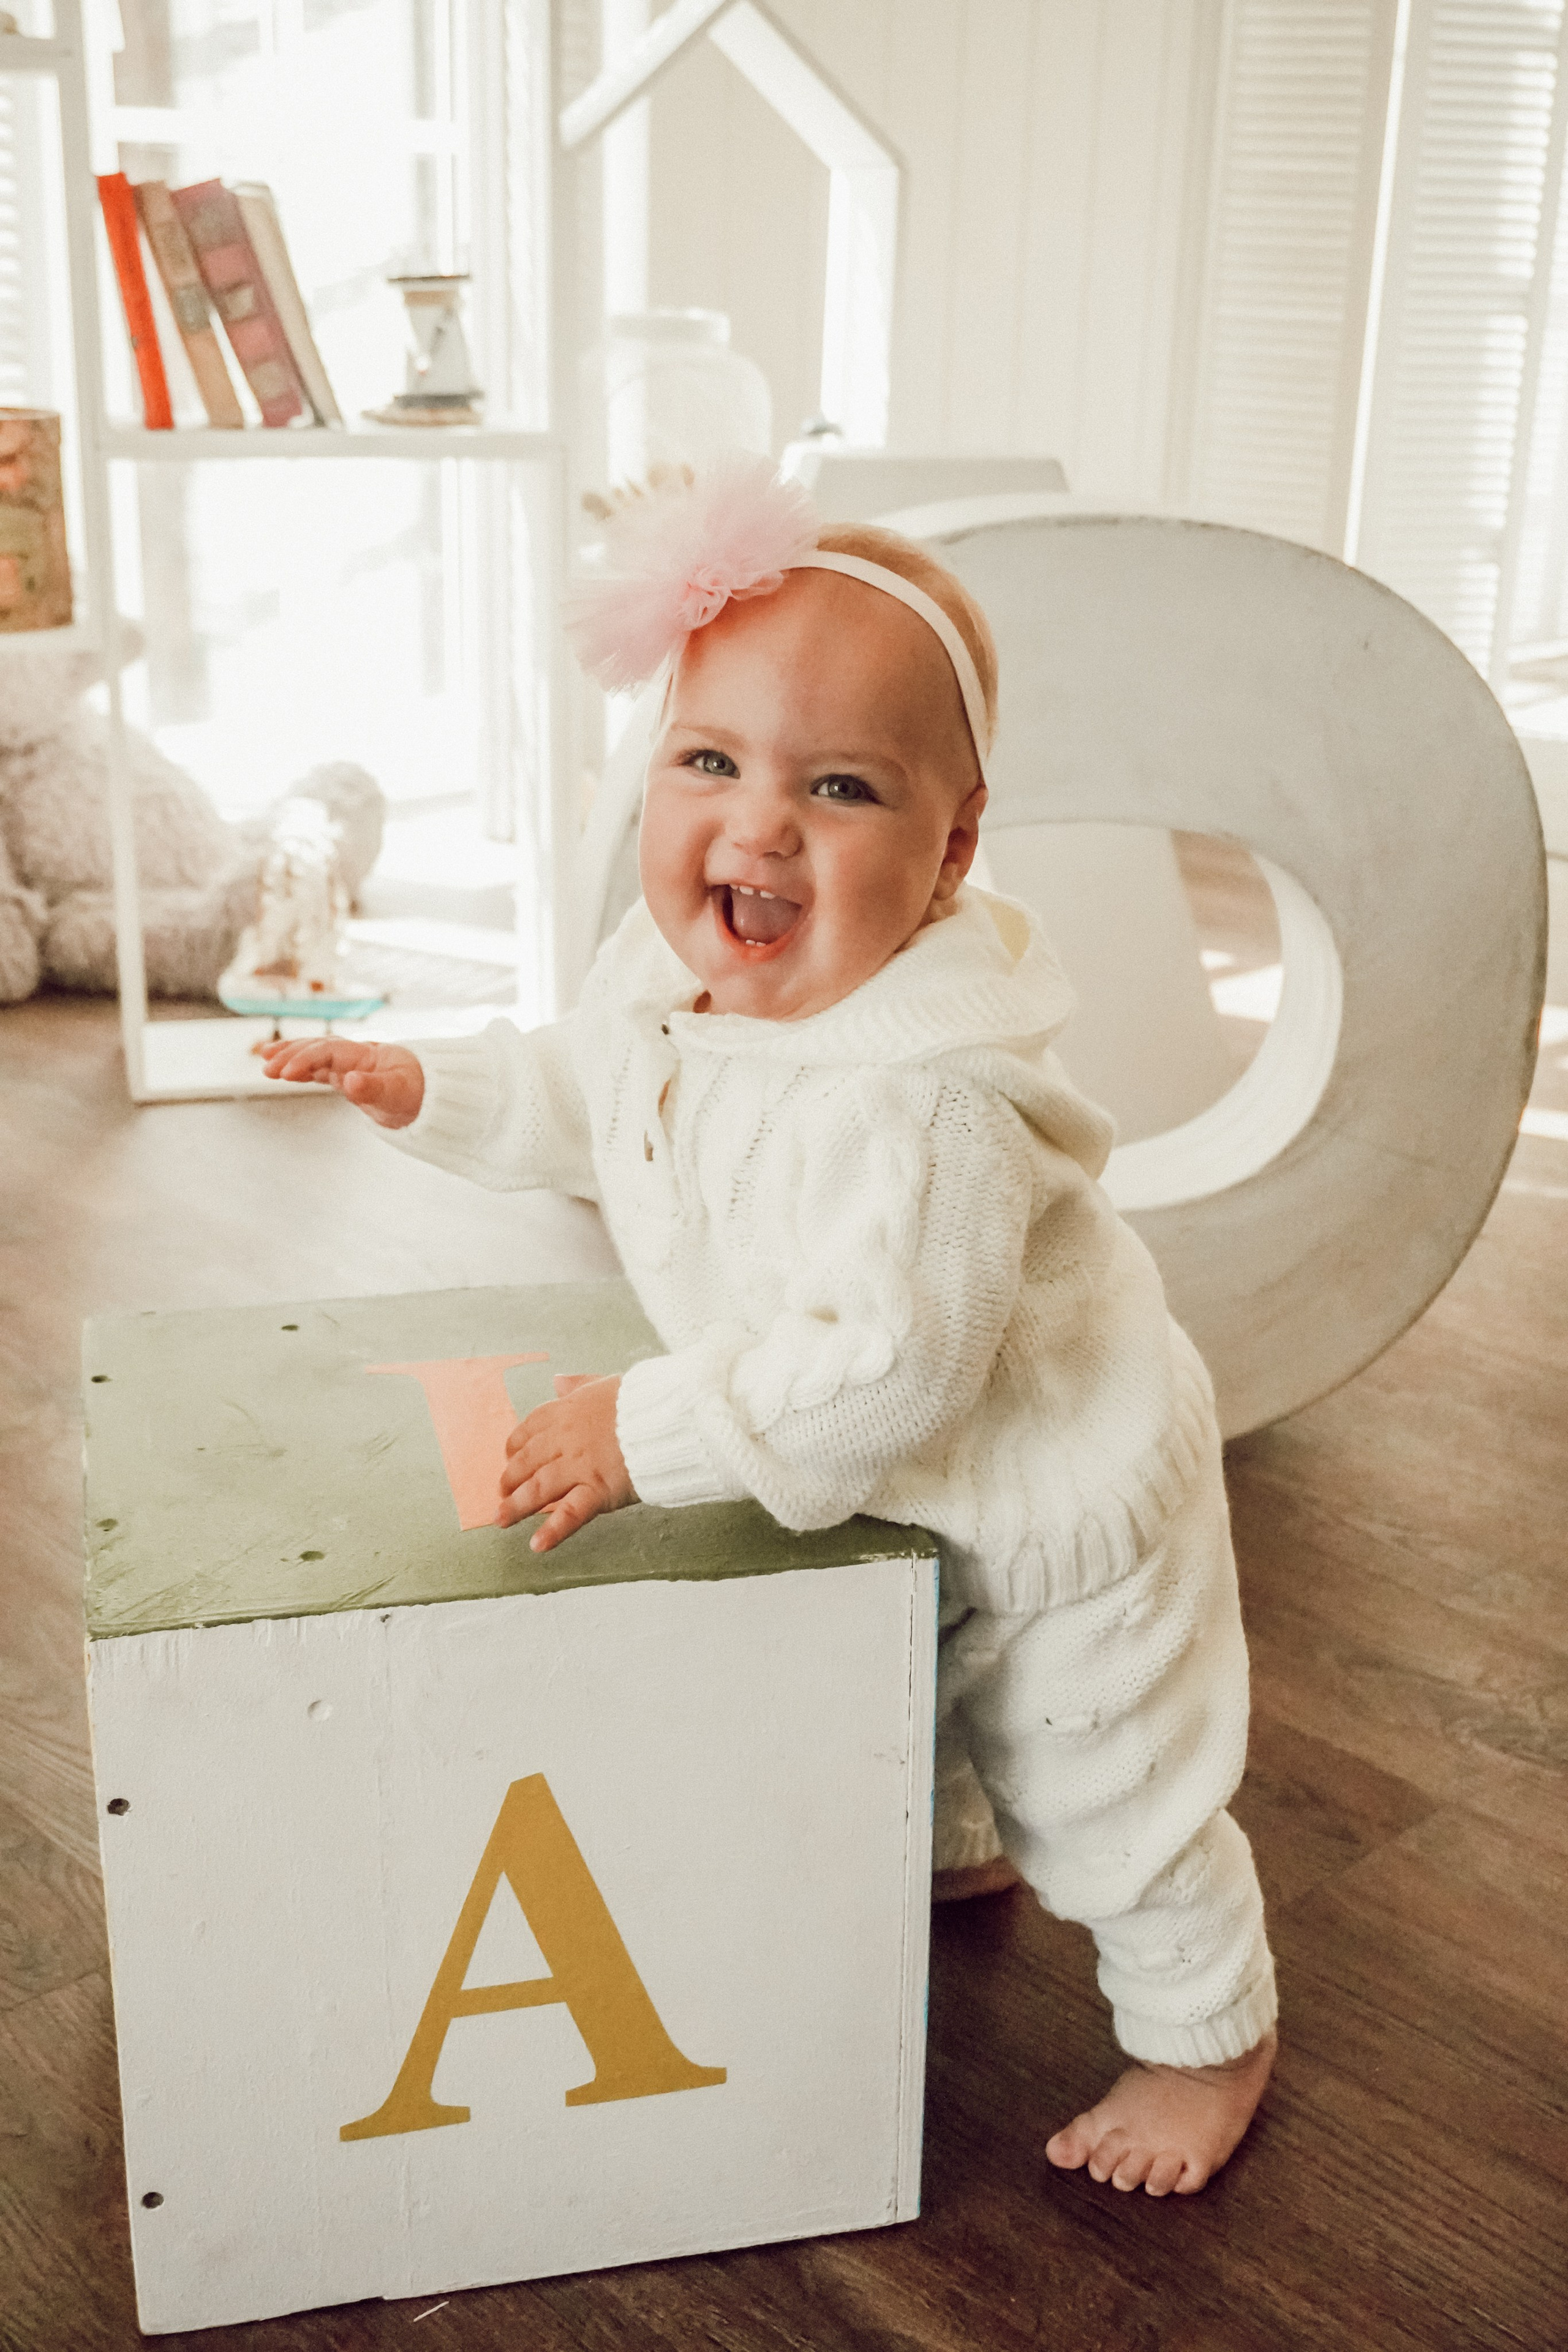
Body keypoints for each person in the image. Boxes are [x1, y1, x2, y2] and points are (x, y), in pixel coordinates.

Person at [263, 455, 1277, 2198]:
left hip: (1055, 1498)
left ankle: (1208, 2034)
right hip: (891, 1481)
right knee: (911, 1673)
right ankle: (972, 1849)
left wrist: (639, 1429)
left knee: (1106, 1782)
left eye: (842, 787)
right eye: (710, 762)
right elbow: (594, 1093)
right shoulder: (670, 979)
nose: (758, 827)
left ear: (952, 854)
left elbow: (887, 1367)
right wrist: (436, 1080)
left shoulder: (927, 1107)